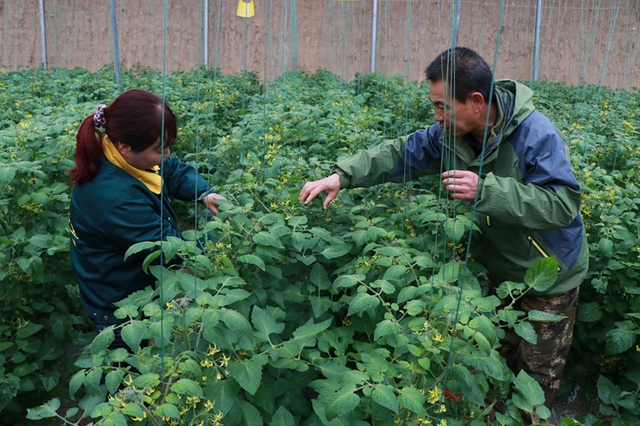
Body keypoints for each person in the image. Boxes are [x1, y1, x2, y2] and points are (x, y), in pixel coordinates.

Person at [298, 47, 588, 411]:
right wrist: (342, 176)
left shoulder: (536, 134)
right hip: (500, 271)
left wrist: (485, 190)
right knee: (494, 370)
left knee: (535, 387)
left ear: (476, 102)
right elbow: (401, 153)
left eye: (442, 106)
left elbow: (562, 205)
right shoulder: (451, 133)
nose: (435, 116)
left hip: (549, 277)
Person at [68, 89, 225, 346]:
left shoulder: (120, 156)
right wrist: (227, 231)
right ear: (125, 147)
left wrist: (206, 193)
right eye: (159, 148)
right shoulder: (115, 199)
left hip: (124, 279)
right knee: (130, 371)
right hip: (118, 305)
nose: (167, 153)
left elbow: (170, 169)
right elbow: (172, 251)